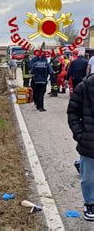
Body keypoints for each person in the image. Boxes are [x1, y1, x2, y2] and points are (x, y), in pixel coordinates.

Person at [67, 74, 94, 221]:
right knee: (89, 177)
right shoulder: (84, 87)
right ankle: (90, 203)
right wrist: (80, 135)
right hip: (89, 143)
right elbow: (72, 113)